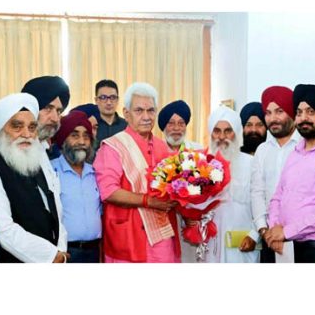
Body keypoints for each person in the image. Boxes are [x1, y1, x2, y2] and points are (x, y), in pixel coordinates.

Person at [93, 82, 180, 263]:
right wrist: (148, 201)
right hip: (128, 236)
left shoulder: (163, 147)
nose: (146, 117)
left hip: (162, 234)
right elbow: (108, 192)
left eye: (151, 110)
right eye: (139, 111)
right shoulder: (112, 147)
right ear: (126, 113)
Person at [0, 93, 69, 263]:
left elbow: (55, 204)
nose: (26, 134)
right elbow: (4, 229)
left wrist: (61, 249)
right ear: (1, 129)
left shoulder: (36, 154)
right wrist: (50, 256)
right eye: (17, 126)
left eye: (32, 127)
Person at [265, 84, 315, 263]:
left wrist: (285, 232)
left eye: (310, 112)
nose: (303, 118)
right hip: (282, 245)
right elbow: (278, 196)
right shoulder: (296, 151)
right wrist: (275, 229)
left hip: (312, 249)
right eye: (299, 113)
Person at [202, 106, 258, 263]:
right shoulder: (200, 165)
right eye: (217, 131)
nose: (221, 136)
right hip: (210, 246)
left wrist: (254, 235)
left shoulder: (252, 164)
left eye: (228, 131)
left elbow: (263, 206)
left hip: (241, 246)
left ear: (237, 133)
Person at [251, 86, 299, 264]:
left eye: (279, 111)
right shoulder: (262, 150)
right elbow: (257, 192)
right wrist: (264, 231)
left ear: (292, 113)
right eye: (268, 113)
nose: (273, 118)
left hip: (302, 239)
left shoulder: (305, 146)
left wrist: (286, 232)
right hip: (269, 240)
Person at [51, 111, 102, 263]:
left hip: (94, 251)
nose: (81, 141)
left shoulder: (95, 172)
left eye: (86, 136)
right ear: (63, 140)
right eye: (74, 135)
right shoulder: (51, 171)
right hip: (64, 253)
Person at [158, 99, 203, 263]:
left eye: (181, 123)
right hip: (164, 218)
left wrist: (193, 212)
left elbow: (206, 187)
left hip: (192, 221)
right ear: (163, 126)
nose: (176, 128)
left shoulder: (198, 151)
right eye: (171, 123)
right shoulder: (156, 152)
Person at [21, 75, 70, 160]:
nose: (55, 119)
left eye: (58, 111)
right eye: (48, 108)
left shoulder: (46, 151)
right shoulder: (9, 153)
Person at [94, 79, 127, 146]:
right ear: (96, 100)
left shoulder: (126, 126)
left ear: (117, 100)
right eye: (103, 97)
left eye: (113, 97)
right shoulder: (92, 126)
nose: (109, 102)